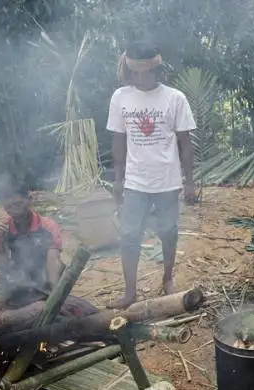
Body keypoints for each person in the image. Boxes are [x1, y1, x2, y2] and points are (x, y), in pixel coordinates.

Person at [106, 42, 196, 309]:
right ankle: (130, 292)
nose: (139, 78)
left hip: (167, 180)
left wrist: (189, 181)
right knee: (130, 235)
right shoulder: (120, 97)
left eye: (144, 73)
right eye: (134, 73)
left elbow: (185, 143)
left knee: (168, 231)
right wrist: (118, 179)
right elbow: (118, 142)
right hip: (135, 181)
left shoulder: (175, 98)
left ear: (156, 70)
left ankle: (167, 279)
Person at [0, 185, 63, 291]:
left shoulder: (47, 226)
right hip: (21, 278)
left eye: (18, 204)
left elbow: (53, 260)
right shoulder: (4, 229)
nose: (14, 211)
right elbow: (1, 264)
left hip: (44, 275)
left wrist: (54, 294)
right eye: (9, 207)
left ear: (29, 200)